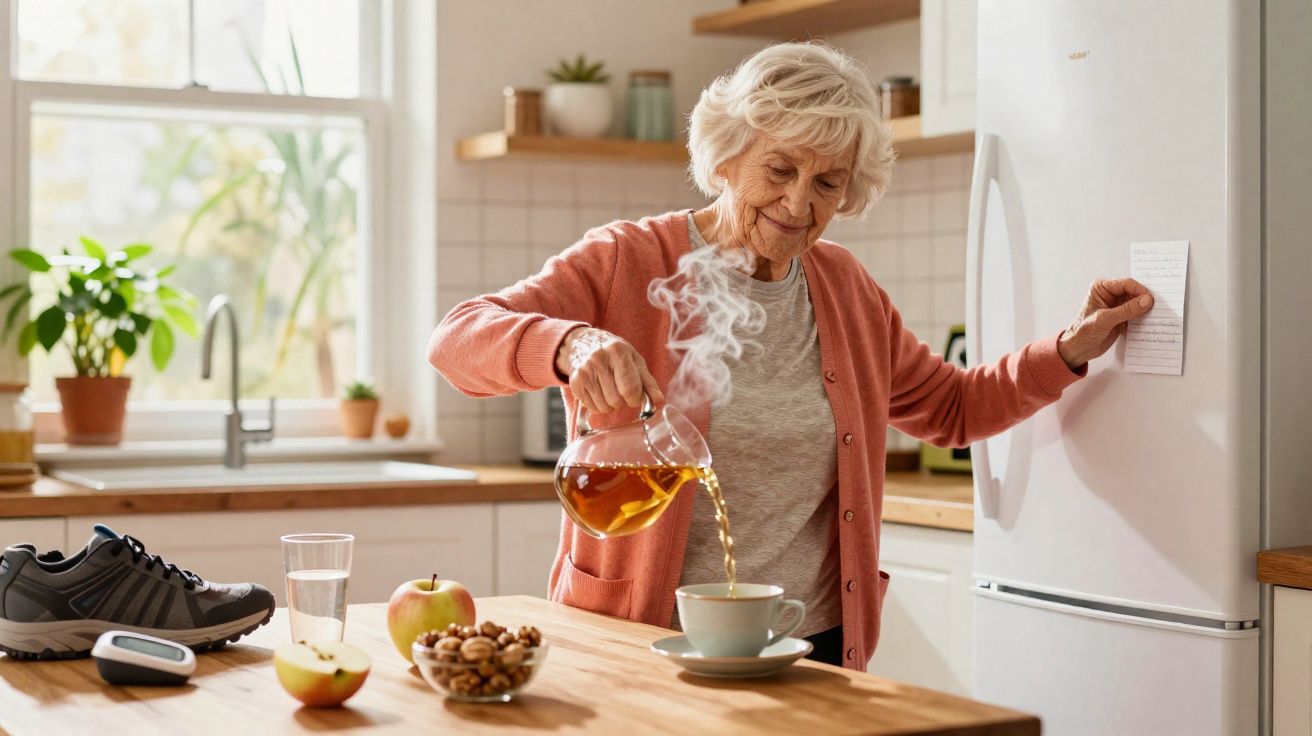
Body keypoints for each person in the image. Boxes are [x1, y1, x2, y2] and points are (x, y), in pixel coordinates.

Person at [428, 41, 1152, 669]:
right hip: (644, 640)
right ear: (728, 154)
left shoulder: (844, 289)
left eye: (827, 182)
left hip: (811, 648)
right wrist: (570, 341)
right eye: (780, 170)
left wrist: (1068, 348)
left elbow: (953, 408)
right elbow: (456, 339)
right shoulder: (628, 260)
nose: (800, 203)